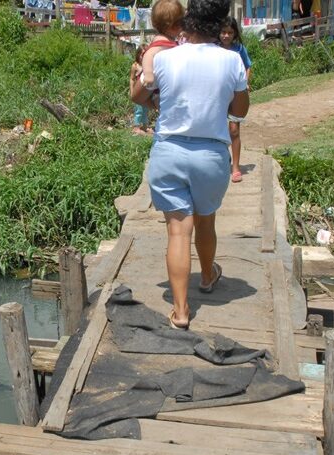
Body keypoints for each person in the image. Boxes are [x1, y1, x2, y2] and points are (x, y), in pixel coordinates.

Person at [130, 0, 249, 330]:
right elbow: (240, 108)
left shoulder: (165, 57)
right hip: (210, 155)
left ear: (188, 21)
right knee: (205, 222)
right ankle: (208, 277)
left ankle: (181, 312)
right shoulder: (232, 60)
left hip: (168, 153)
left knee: (177, 231)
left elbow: (139, 95)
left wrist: (157, 98)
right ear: (219, 24)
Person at [219, 16, 252, 183]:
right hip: (218, 94)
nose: (226, 35)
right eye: (223, 32)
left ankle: (236, 167)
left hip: (236, 95)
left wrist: (245, 84)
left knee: (234, 130)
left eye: (229, 32)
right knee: (217, 129)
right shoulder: (213, 48)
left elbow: (248, 66)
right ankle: (223, 160)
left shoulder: (239, 49)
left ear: (235, 34)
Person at [137, 0, 184, 93]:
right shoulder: (161, 40)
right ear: (174, 26)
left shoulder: (168, 38)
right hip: (152, 84)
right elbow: (148, 55)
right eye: (182, 23)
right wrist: (148, 73)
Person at [131, 45, 152, 135]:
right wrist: (132, 90)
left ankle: (144, 126)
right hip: (138, 92)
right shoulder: (135, 66)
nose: (142, 56)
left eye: (144, 54)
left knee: (145, 109)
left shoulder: (147, 65)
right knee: (139, 109)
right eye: (141, 54)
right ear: (138, 54)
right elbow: (132, 79)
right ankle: (136, 127)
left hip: (146, 92)